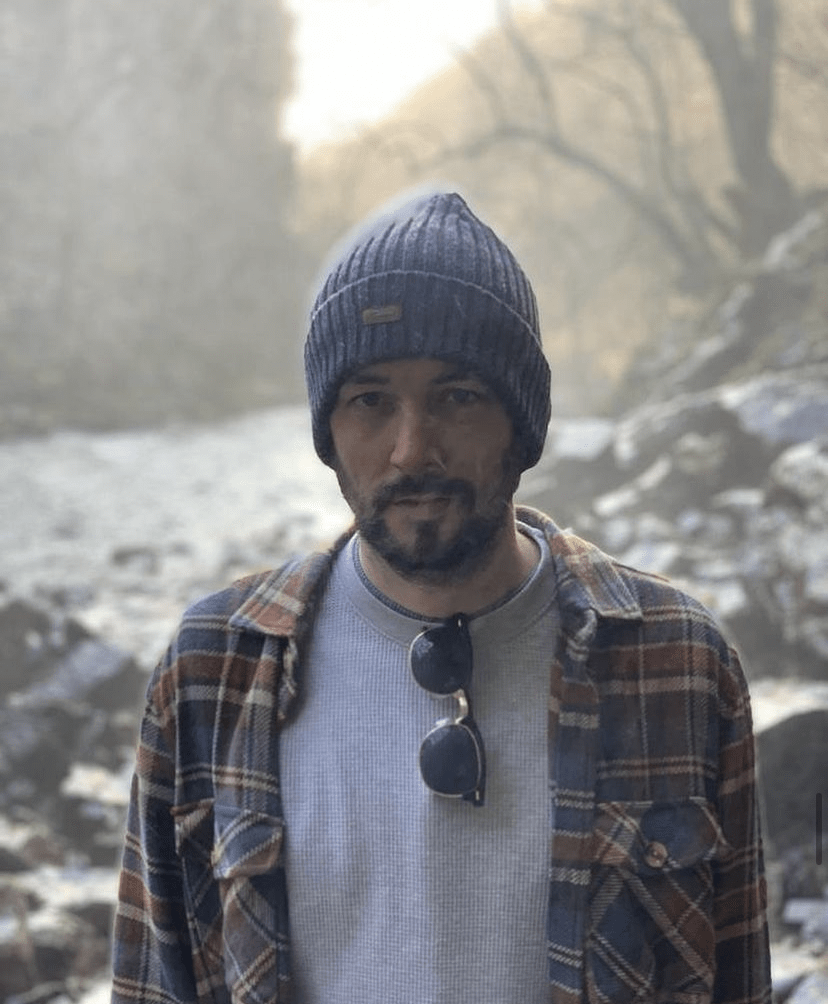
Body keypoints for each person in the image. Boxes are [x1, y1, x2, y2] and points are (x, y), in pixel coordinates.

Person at [110, 191, 771, 1004]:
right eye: (370, 401)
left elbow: (741, 977)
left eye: (458, 396)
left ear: (522, 422)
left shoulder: (678, 661)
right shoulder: (213, 670)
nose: (410, 448)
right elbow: (151, 985)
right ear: (328, 428)